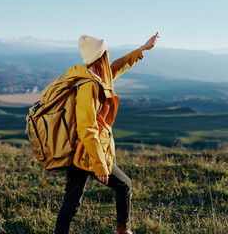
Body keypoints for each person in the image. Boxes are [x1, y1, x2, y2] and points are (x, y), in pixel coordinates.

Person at [55, 32, 159, 234]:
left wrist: (142, 49)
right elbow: (88, 128)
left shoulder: (96, 76)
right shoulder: (89, 87)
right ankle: (123, 231)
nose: (108, 54)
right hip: (88, 153)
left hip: (81, 152)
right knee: (124, 186)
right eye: (105, 52)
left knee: (71, 203)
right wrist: (100, 166)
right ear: (100, 56)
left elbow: (117, 68)